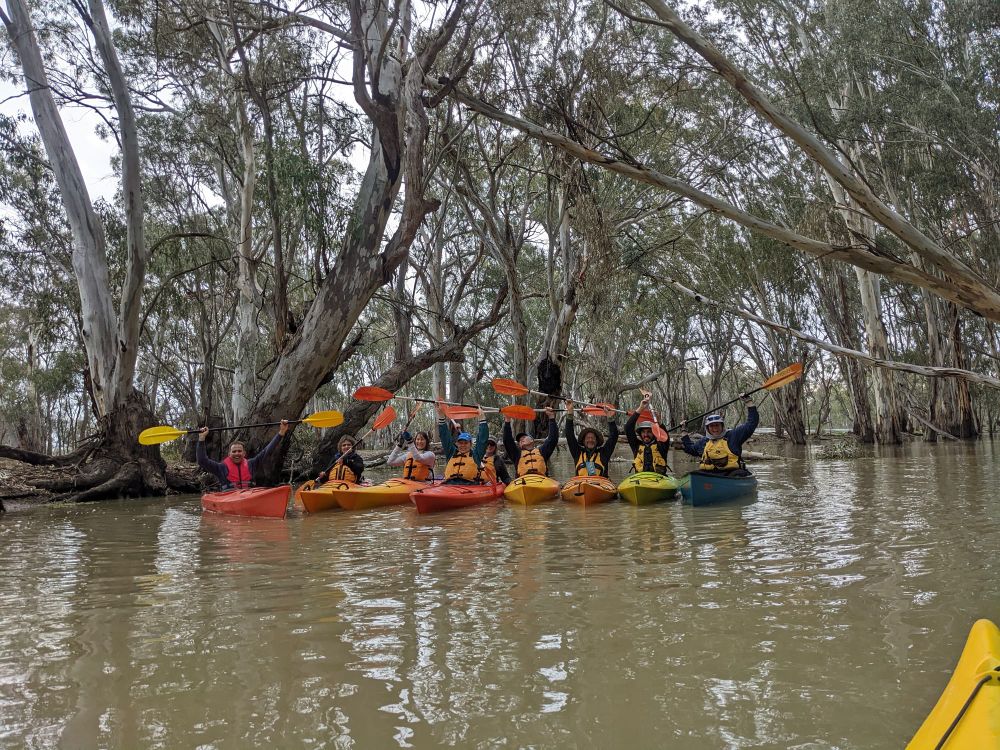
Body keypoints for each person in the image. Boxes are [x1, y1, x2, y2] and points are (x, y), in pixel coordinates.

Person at [197, 420, 289, 489]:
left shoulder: (252, 463)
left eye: (239, 451)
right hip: (229, 497)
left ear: (244, 453)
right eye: (234, 451)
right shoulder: (220, 467)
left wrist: (281, 433)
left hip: (249, 495)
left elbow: (267, 451)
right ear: (229, 454)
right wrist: (201, 438)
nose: (237, 453)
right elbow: (202, 461)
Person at [680, 395, 758, 476]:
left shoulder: (733, 436)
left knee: (739, 474)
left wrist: (749, 403)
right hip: (709, 473)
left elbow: (751, 424)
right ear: (707, 428)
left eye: (717, 425)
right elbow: (690, 449)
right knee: (693, 474)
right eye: (711, 426)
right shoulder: (704, 441)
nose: (715, 429)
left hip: (731, 473)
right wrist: (684, 431)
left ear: (722, 426)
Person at [564, 400, 619, 477]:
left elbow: (614, 436)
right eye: (587, 438)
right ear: (583, 441)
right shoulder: (577, 452)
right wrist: (570, 413)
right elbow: (569, 435)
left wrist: (609, 417)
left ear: (597, 441)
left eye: (593, 438)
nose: (590, 440)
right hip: (581, 484)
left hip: (600, 485)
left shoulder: (604, 453)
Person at [438, 405, 490, 484]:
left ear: (470, 444)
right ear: (457, 443)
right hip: (449, 486)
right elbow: (444, 437)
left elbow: (482, 440)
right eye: (460, 443)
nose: (463, 445)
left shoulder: (476, 455)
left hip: (468, 486)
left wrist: (482, 419)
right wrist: (441, 416)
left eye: (466, 443)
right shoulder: (451, 452)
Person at [503, 406, 558, 477]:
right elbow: (507, 440)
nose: (521, 440)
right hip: (523, 482)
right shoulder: (516, 454)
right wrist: (507, 420)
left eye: (524, 437)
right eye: (519, 441)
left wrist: (551, 417)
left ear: (532, 440)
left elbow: (553, 438)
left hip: (542, 482)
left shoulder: (542, 451)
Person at [625, 393, 671, 475]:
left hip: (659, 480)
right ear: (640, 433)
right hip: (641, 479)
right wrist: (641, 408)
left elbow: (665, 436)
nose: (646, 435)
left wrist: (659, 422)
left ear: (654, 433)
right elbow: (628, 428)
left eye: (649, 432)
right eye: (643, 432)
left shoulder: (661, 445)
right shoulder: (636, 445)